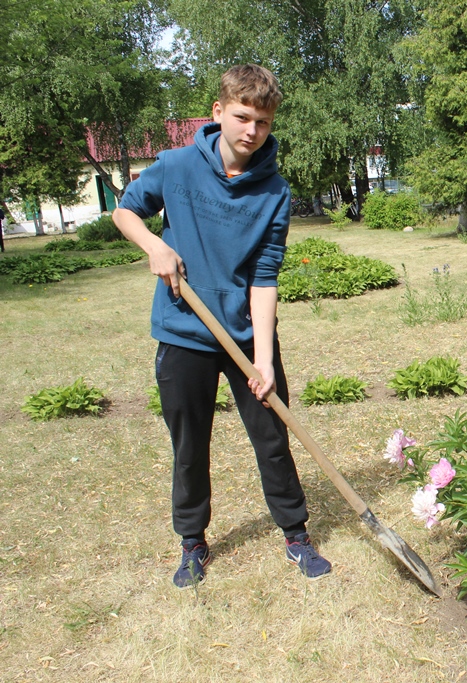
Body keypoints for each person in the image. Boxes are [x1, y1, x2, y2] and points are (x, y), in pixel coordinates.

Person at [113, 64, 331, 587]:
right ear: (218, 112)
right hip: (183, 332)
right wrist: (156, 246)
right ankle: (192, 542)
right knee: (190, 444)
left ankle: (296, 534)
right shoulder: (176, 166)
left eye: (262, 121)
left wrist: (262, 358)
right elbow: (125, 212)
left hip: (244, 336)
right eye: (241, 117)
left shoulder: (273, 192)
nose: (251, 131)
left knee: (271, 435)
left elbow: (263, 277)